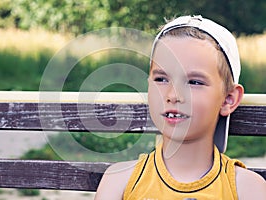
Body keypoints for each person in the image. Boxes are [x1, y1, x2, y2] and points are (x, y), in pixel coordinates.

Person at [95, 15, 266, 200]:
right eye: (161, 79)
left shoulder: (247, 189)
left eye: (194, 82)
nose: (173, 95)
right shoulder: (119, 182)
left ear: (228, 99)